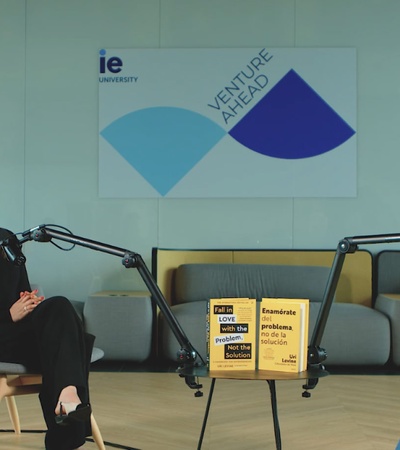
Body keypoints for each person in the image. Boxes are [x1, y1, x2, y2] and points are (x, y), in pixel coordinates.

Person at [0, 227, 95, 450]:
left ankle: (68, 393)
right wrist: (8, 315)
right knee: (72, 343)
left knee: (59, 306)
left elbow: (20, 289)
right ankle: (64, 437)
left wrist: (28, 301)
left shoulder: (6, 239)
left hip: (14, 331)